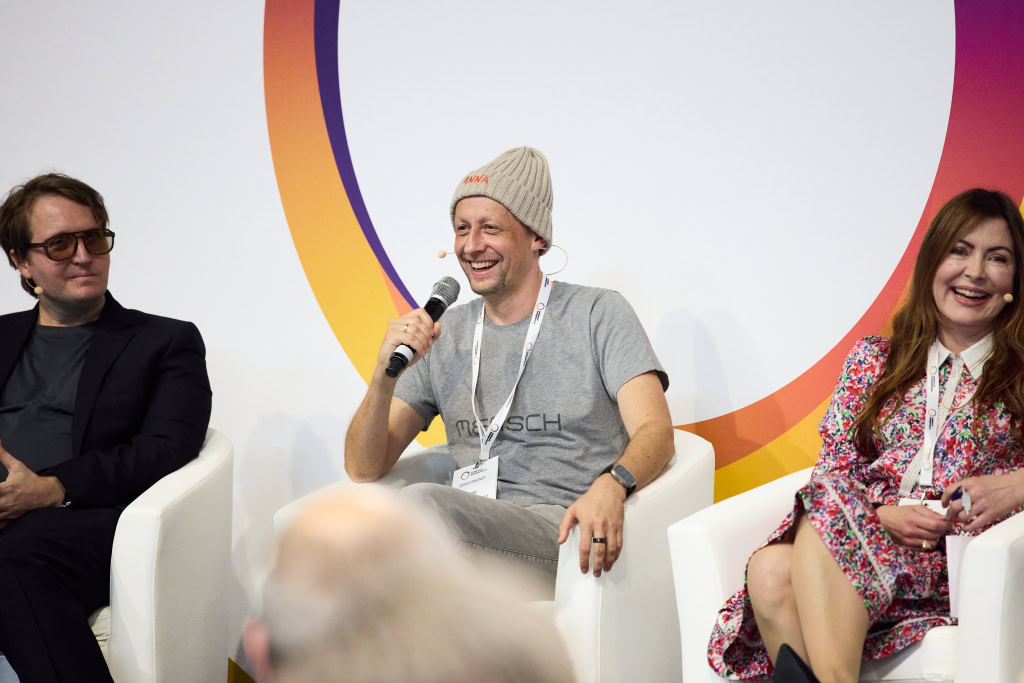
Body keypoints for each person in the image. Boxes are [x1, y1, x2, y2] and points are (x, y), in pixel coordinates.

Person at [708, 188, 1024, 682]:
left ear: (1015, 281)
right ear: (932, 264)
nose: (975, 271)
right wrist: (882, 517)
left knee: (788, 552)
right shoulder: (875, 360)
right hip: (869, 545)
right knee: (771, 567)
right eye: (959, 251)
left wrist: (1015, 485)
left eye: (997, 258)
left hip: (963, 564)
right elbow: (834, 469)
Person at [345, 146, 674, 596]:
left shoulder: (597, 312)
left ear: (537, 237)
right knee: (350, 529)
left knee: (420, 509)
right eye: (462, 228)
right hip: (466, 531)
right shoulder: (446, 333)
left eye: (490, 228)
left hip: (563, 532)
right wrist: (384, 375)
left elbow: (657, 431)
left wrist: (613, 483)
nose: (471, 246)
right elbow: (363, 467)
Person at [0, 173, 212, 682]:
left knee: (11, 558)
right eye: (59, 244)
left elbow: (167, 447)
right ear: (21, 261)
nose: (83, 256)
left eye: (93, 238)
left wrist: (53, 488)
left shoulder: (164, 341)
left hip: (88, 523)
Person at [243, 488, 574, 682]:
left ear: (258, 650)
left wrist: (607, 481)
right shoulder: (438, 370)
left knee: (422, 500)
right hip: (475, 510)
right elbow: (363, 464)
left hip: (564, 519)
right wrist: (381, 389)